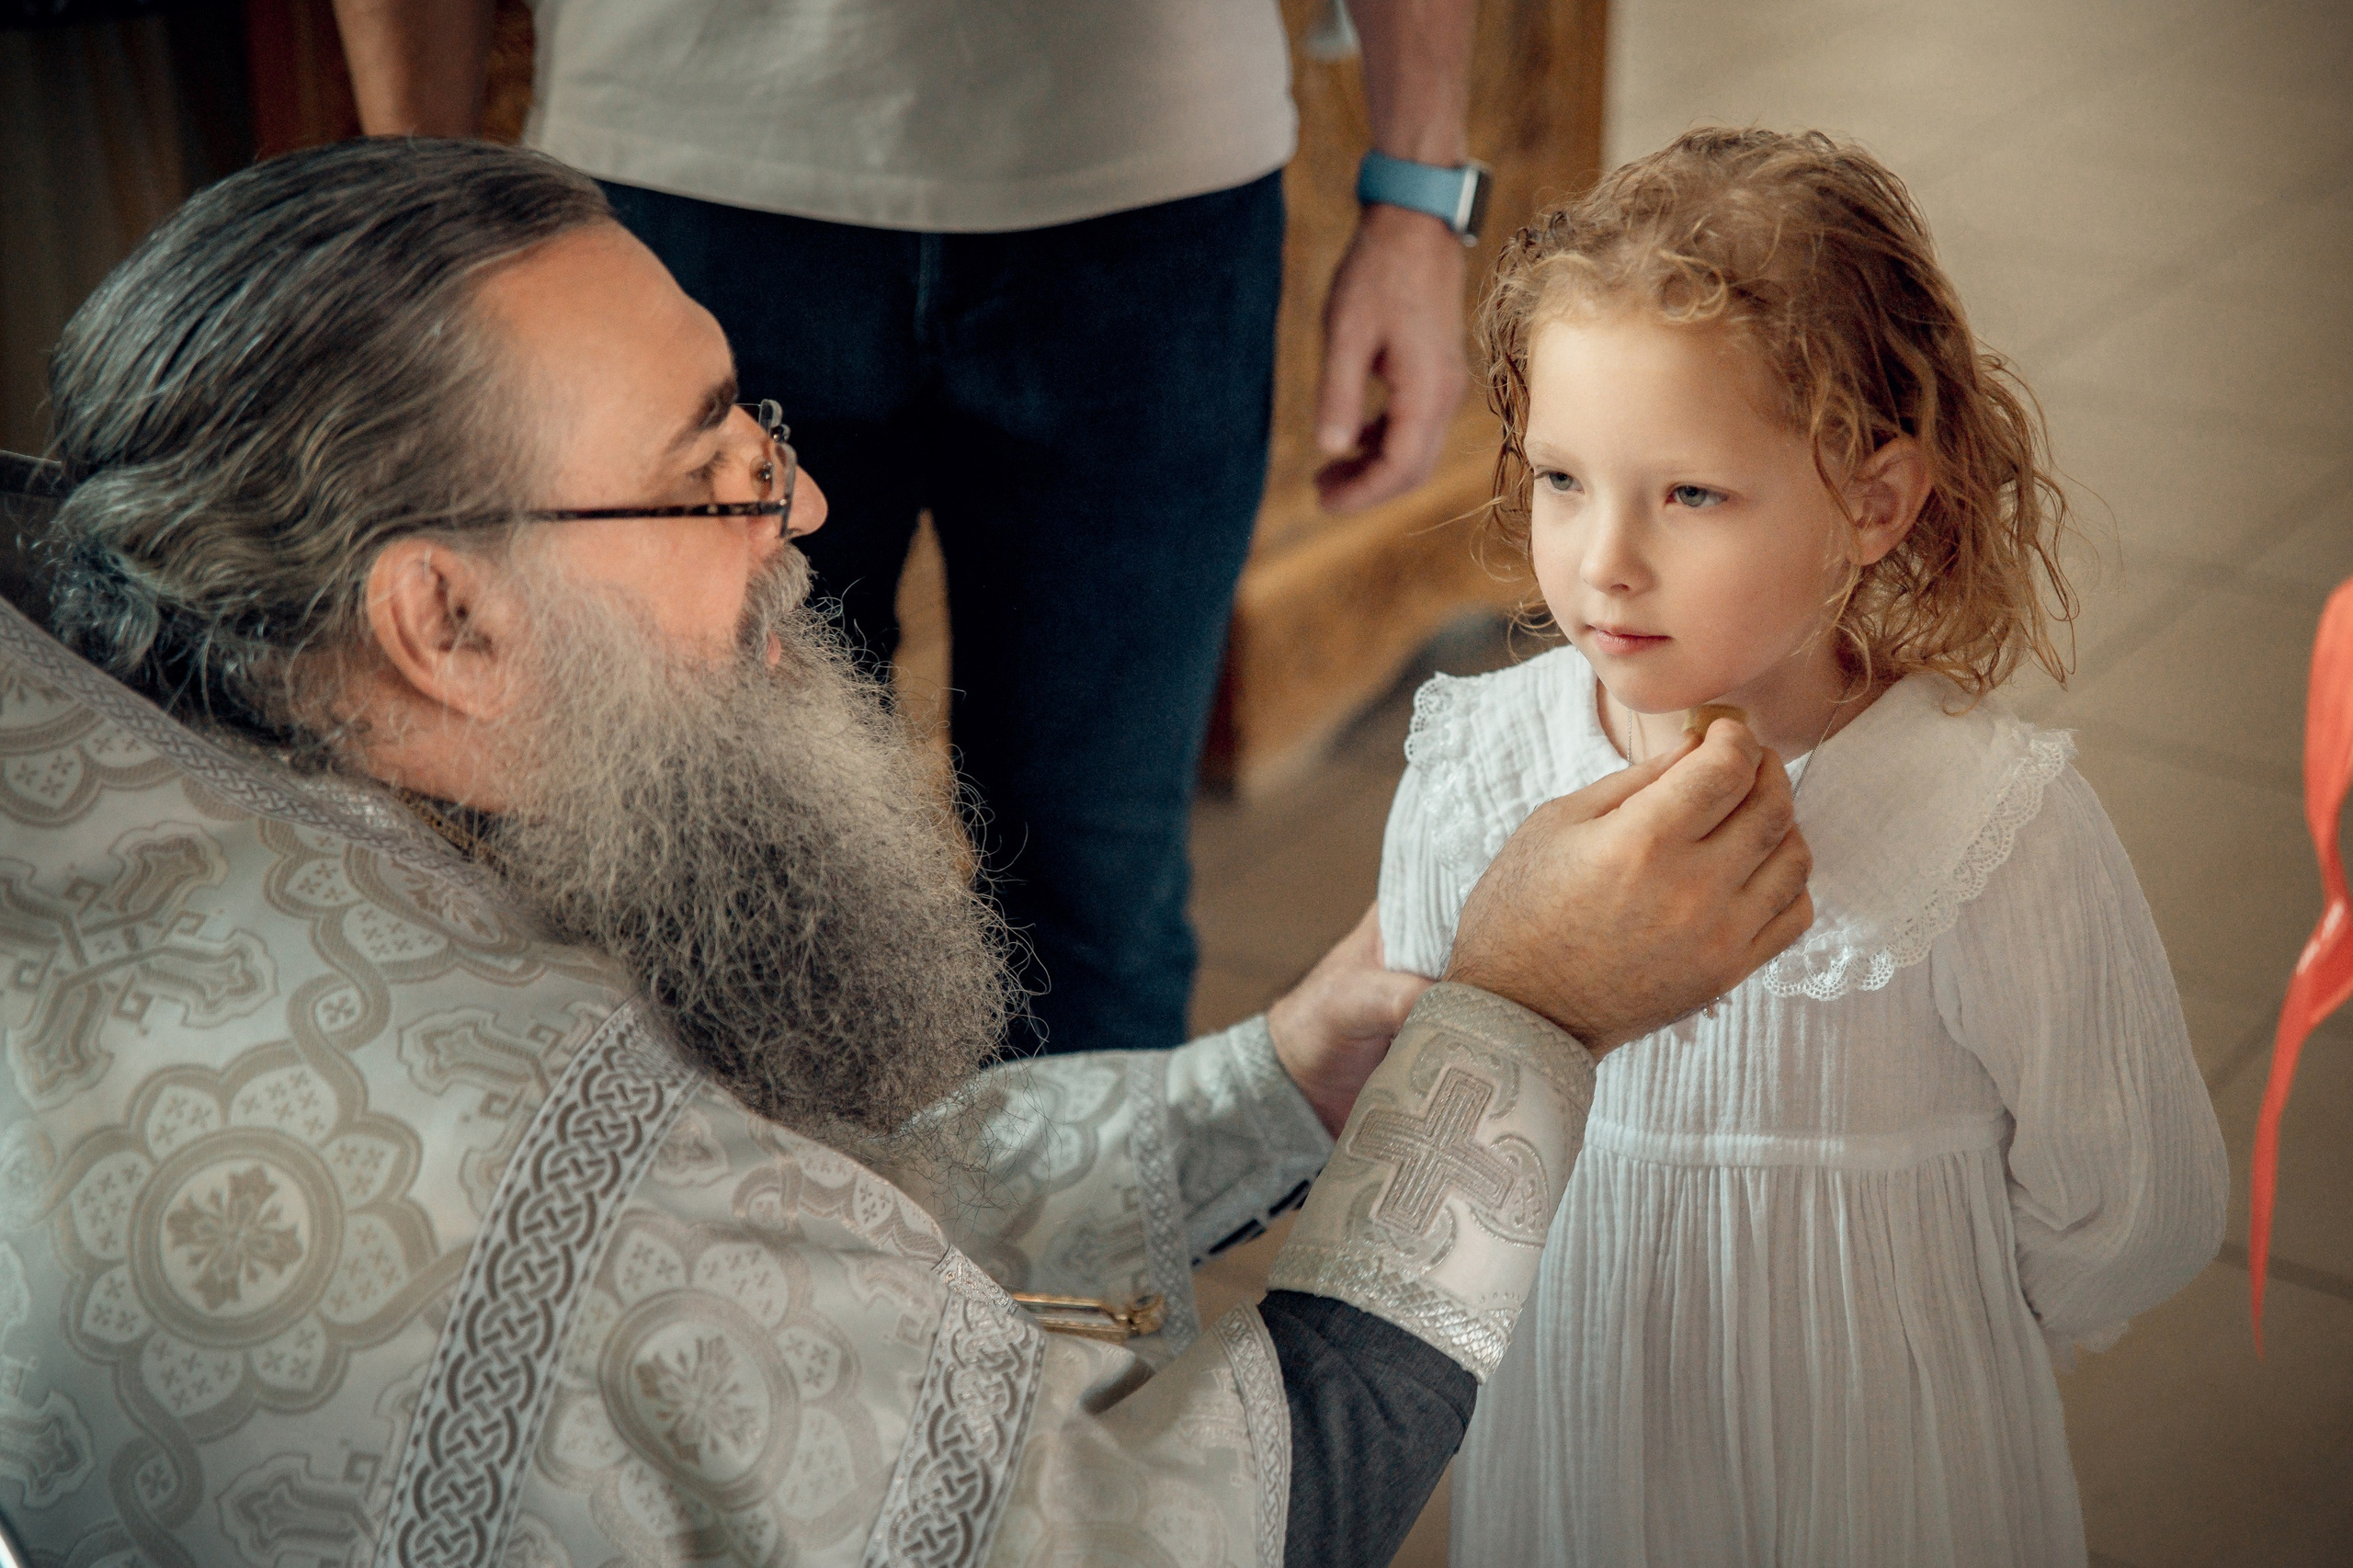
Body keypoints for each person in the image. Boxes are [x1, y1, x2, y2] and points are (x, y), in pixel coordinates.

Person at [0, 139, 1813, 1567]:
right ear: (446, 626)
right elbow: (1150, 1541)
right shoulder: (556, 1166)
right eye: (708, 467)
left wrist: (1280, 1083)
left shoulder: (164, 744)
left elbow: (788, 1214)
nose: (796, 508)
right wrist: (1516, 1027)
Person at [1373, 129, 2233, 1567]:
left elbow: (2133, 1203)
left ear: (1875, 502)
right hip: (1576, 1443)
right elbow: (1417, 1099)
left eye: (1689, 494)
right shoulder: (1475, 767)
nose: (1604, 559)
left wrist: (1928, 1306)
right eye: (1564, 478)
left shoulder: (1987, 824)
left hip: (1889, 1453)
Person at [333, 0, 1485, 1060]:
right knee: (726, 876)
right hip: (684, 174)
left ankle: (1082, 1287)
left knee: (1095, 885)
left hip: (1147, 195)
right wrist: (422, 232)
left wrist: (1421, 199)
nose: (798, 503)